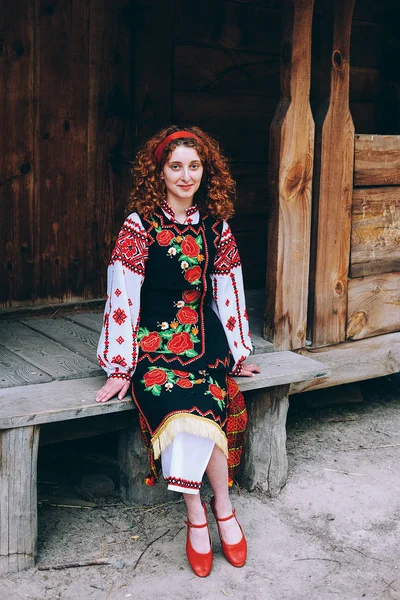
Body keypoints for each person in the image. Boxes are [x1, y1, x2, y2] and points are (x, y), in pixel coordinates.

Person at [95, 126, 260, 577]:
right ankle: (200, 514)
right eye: (175, 167)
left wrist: (238, 349)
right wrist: (120, 364)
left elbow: (227, 288)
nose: (185, 176)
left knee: (207, 397)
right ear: (160, 172)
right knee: (176, 401)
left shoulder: (215, 225)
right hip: (152, 339)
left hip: (204, 336)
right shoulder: (140, 225)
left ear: (206, 172)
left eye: (194, 166)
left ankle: (221, 508)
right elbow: (123, 292)